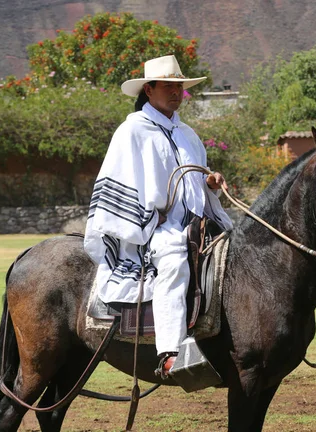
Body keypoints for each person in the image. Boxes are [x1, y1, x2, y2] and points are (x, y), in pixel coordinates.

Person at [84, 55, 233, 377]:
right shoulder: (132, 131)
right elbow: (118, 183)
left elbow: (193, 183)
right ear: (148, 90)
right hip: (152, 228)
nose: (176, 92)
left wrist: (209, 183)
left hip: (197, 224)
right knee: (173, 261)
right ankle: (170, 352)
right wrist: (149, 220)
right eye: (168, 86)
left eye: (179, 86)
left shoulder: (187, 134)